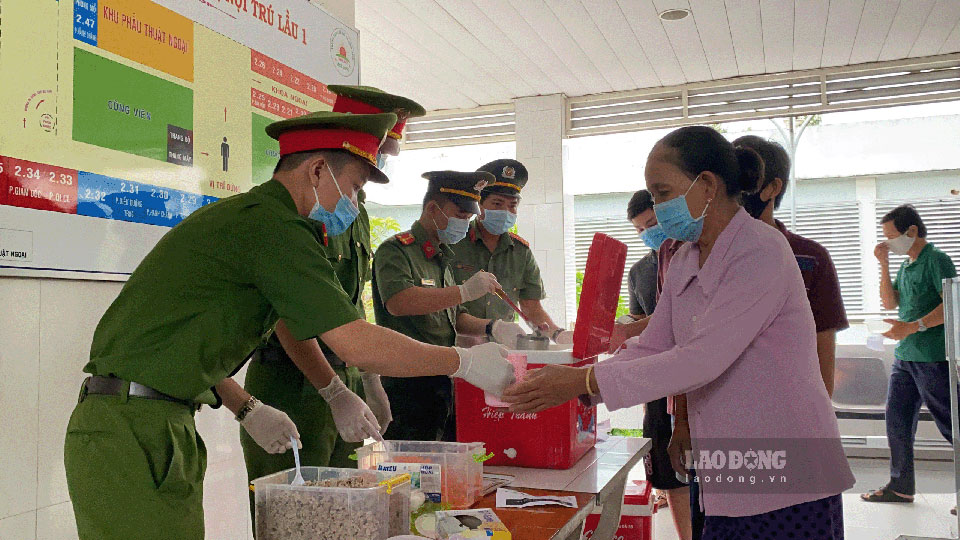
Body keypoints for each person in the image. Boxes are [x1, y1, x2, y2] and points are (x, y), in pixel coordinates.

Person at [63, 111, 514, 540]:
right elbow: (354, 341)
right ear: (318, 170)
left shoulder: (260, 221)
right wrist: (463, 362)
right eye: (354, 188)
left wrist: (245, 406)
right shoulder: (271, 225)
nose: (354, 206)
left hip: (159, 420)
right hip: (131, 426)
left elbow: (185, 342)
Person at [504, 125, 853, 539]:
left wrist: (583, 379)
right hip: (729, 458)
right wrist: (581, 384)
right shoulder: (686, 257)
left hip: (788, 461)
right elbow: (654, 345)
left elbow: (701, 358)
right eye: (653, 196)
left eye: (663, 193)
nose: (658, 206)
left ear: (707, 185)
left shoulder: (761, 250)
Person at [239, 88, 427, 530]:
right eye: (378, 152)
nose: (381, 166)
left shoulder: (352, 211)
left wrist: (368, 382)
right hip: (292, 379)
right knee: (292, 520)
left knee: (345, 516)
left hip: (343, 376)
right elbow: (289, 311)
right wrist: (333, 391)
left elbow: (351, 304)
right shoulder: (293, 208)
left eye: (389, 154)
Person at [373, 171, 526, 442]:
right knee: (413, 466)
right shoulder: (397, 251)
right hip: (407, 381)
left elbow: (452, 317)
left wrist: (493, 327)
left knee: (444, 466)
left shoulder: (441, 255)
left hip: (444, 376)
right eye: (460, 216)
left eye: (468, 219)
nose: (465, 225)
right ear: (433, 209)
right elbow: (399, 302)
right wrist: (463, 291)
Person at [734, 135, 848, 396]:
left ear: (773, 187)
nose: (734, 188)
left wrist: (817, 417)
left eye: (746, 177)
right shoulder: (704, 255)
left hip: (786, 406)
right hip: (718, 412)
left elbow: (823, 346)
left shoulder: (811, 258)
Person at [862, 205, 957, 507]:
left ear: (912, 231)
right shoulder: (906, 265)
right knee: (897, 422)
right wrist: (884, 263)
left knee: (952, 425)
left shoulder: (936, 260)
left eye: (891, 238)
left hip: (932, 357)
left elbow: (952, 306)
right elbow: (890, 304)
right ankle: (900, 487)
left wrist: (913, 326)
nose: (887, 242)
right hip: (905, 357)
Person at [623, 189, 693, 539]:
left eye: (653, 223)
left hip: (696, 380)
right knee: (667, 470)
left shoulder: (696, 254)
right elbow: (640, 329)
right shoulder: (640, 271)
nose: (649, 233)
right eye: (640, 230)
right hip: (658, 385)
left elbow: (673, 323)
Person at [450, 159, 572, 344]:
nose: (505, 211)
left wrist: (556, 333)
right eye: (497, 204)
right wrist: (492, 327)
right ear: (479, 206)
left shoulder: (521, 252)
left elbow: (531, 307)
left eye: (512, 205)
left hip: (504, 350)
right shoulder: (454, 243)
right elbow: (443, 307)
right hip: (456, 348)